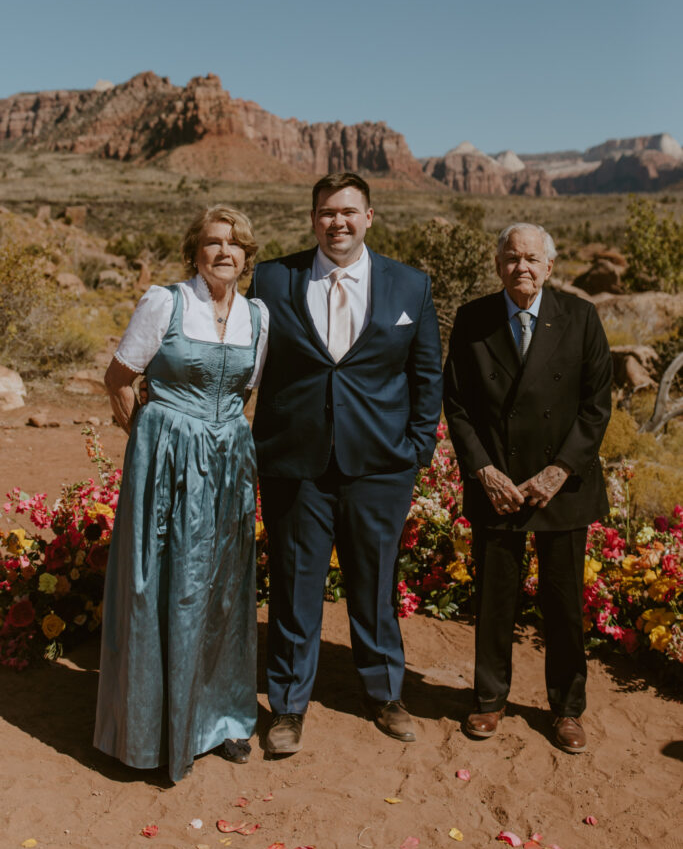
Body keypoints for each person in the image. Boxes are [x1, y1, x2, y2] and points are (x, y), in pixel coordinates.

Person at [249, 172, 442, 754]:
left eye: (349, 212)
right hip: (295, 465)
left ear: (370, 217)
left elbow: (426, 374)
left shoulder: (410, 286)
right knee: (293, 587)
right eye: (327, 212)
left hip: (380, 467)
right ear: (314, 219)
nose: (338, 222)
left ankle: (385, 694)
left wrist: (416, 452)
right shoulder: (271, 279)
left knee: (376, 585)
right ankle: (287, 708)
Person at [94, 206, 268, 782]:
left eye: (234, 244)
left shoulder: (257, 317)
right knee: (162, 585)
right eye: (212, 242)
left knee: (221, 590)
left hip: (228, 466)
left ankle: (217, 720)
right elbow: (119, 378)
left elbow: (245, 393)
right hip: (166, 459)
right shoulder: (165, 302)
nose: (224, 252)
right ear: (195, 251)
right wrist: (148, 438)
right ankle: (150, 729)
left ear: (247, 256)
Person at [443, 222, 612, 754]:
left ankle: (566, 708)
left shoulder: (580, 317)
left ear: (550, 267)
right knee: (495, 600)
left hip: (560, 487)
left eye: (532, 259)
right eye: (512, 258)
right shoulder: (473, 320)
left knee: (563, 605)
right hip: (498, 484)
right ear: (498, 266)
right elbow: (458, 404)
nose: (522, 267)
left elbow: (596, 404)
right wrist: (484, 471)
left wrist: (558, 471)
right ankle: (490, 700)